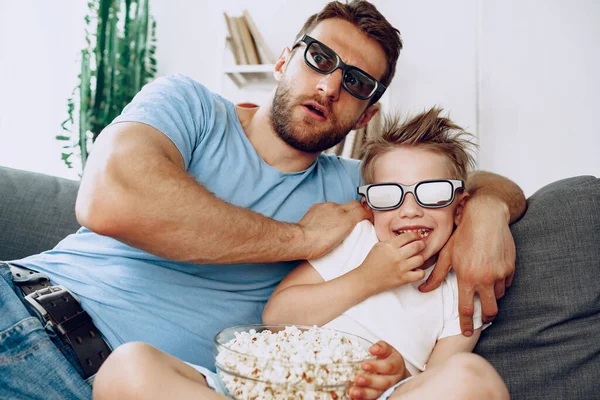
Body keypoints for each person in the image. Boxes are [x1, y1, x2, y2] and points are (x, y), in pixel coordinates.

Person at [0, 1, 525, 398]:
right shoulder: (191, 108)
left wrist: (484, 211)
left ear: (366, 116)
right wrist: (300, 237)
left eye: (357, 82)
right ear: (283, 60)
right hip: (20, 306)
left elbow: (474, 185)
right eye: (319, 58)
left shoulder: (368, 193)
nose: (329, 86)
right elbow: (108, 200)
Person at [91, 108, 510, 400]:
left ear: (460, 206)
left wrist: (399, 375)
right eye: (389, 195)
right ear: (368, 204)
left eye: (432, 193)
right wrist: (367, 277)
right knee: (128, 367)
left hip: (377, 395)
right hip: (273, 385)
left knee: (475, 381)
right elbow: (277, 316)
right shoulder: (355, 240)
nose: (410, 208)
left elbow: (441, 378)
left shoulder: (464, 287)